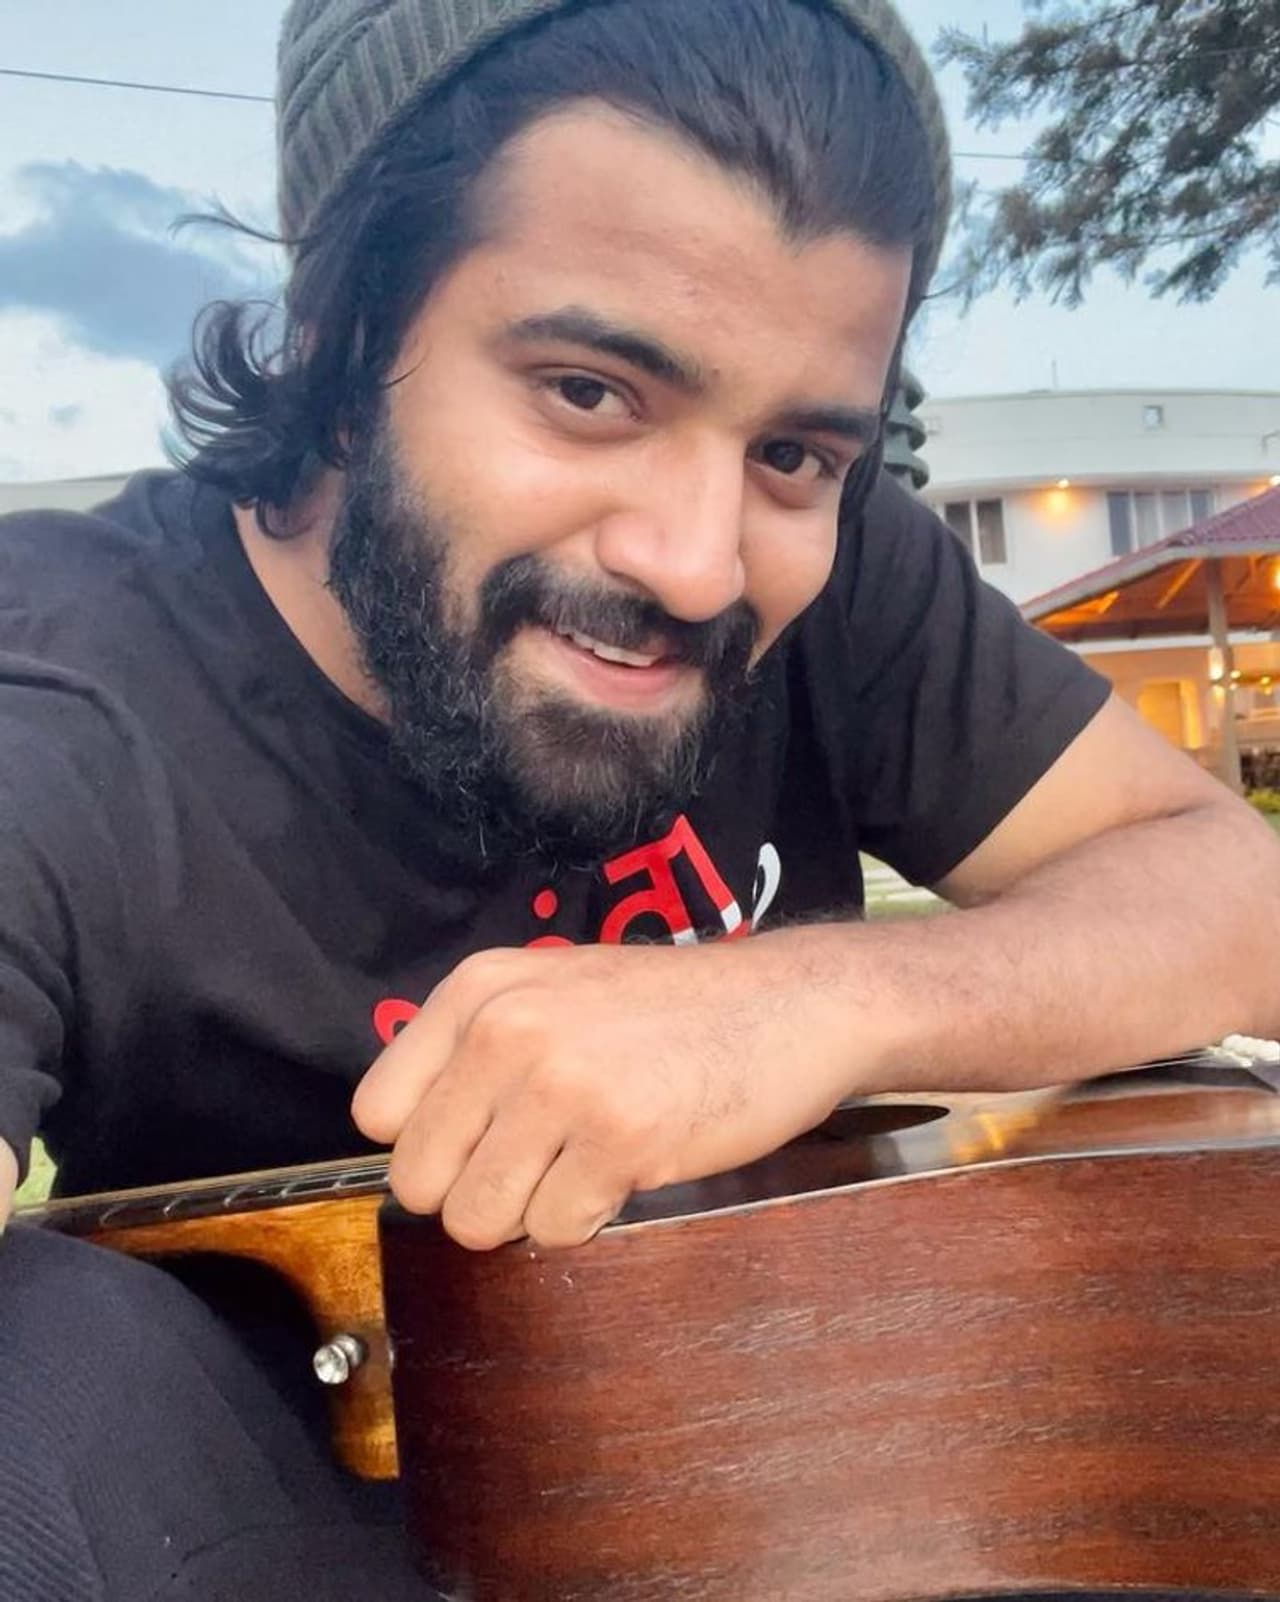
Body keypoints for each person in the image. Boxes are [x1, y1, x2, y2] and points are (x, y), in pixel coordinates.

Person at [0, 0, 1277, 1597]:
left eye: (797, 452)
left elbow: (1235, 897)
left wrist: (797, 1009)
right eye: (590, 391)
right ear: (339, 333)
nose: (695, 562)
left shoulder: (831, 564)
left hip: (837, 1495)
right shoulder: (63, 686)